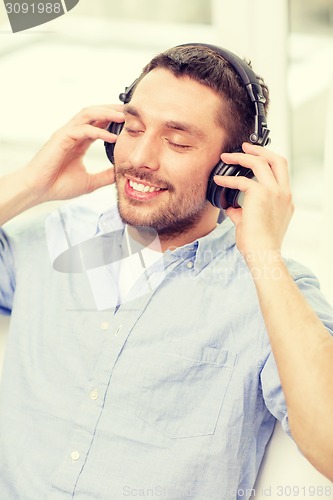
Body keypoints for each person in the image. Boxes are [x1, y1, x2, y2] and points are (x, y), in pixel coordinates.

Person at [0, 43, 332, 499]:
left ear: (232, 166)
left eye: (177, 142)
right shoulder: (51, 240)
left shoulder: (272, 287)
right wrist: (30, 184)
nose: (140, 158)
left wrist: (264, 254)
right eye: (132, 129)